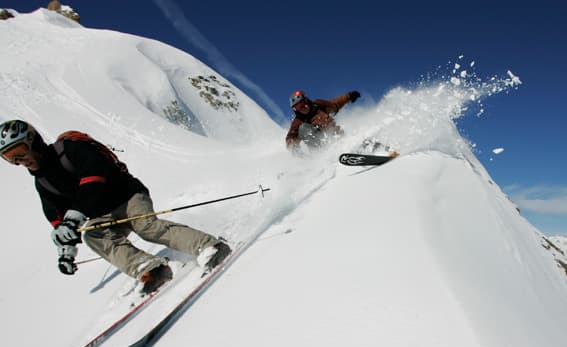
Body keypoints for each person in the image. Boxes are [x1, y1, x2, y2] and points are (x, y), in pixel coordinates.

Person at [0, 120, 231, 294]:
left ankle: (210, 246)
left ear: (33, 141)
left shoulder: (69, 149)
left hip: (128, 196)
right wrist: (66, 251)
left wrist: (75, 216)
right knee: (93, 235)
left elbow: (94, 176)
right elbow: (57, 218)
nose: (19, 160)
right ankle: (151, 269)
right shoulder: (42, 182)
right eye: (10, 158)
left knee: (146, 227)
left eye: (18, 152)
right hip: (102, 214)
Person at [285, 89, 360, 154]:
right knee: (303, 128)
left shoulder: (318, 105)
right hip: (321, 148)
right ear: (295, 109)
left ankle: (358, 147)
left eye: (303, 103)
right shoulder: (297, 122)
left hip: (337, 138)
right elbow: (290, 138)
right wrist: (294, 149)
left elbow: (335, 104)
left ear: (306, 100)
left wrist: (349, 96)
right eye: (298, 107)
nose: (303, 107)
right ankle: (323, 154)